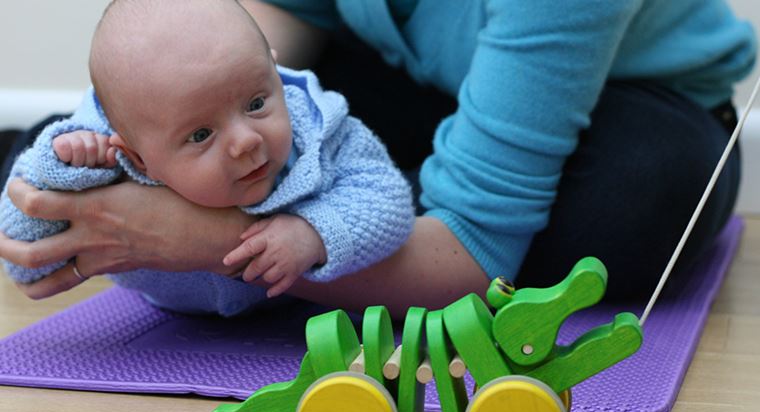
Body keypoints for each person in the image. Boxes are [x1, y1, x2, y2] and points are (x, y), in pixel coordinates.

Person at [0, 0, 755, 318]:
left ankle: (352, 232)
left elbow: (477, 253)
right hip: (427, 86)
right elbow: (253, 44)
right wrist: (131, 146)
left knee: (635, 202)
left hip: (633, 109)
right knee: (209, 115)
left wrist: (203, 240)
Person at [0, 0, 414, 316]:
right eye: (201, 135)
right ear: (140, 159)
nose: (246, 141)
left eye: (256, 102)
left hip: (282, 327)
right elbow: (27, 263)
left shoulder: (319, 130)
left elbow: (390, 200)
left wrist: (314, 233)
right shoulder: (109, 157)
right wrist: (60, 170)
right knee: (30, 147)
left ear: (273, 71)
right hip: (167, 335)